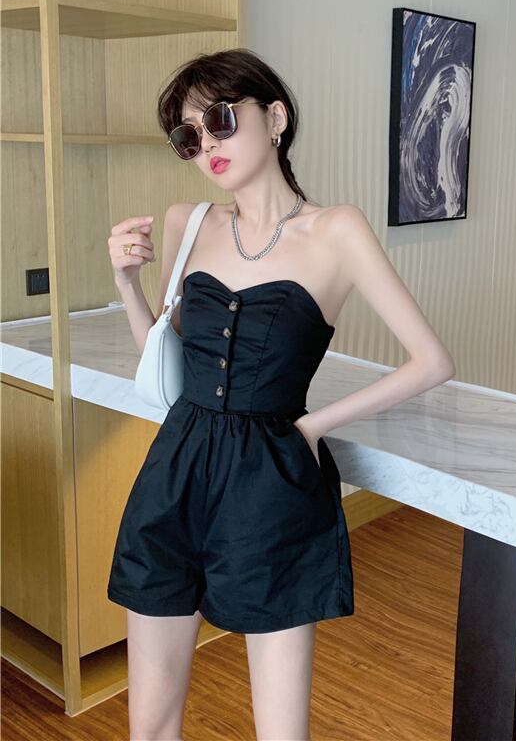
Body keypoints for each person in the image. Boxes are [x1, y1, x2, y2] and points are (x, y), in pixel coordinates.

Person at [105, 48, 456, 741]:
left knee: (281, 732)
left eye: (219, 119)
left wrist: (311, 427)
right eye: (187, 136)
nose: (206, 144)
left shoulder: (336, 230)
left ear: (275, 118)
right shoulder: (187, 223)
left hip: (272, 486)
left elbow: (431, 362)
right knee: (149, 727)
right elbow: (166, 368)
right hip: (173, 475)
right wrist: (126, 284)